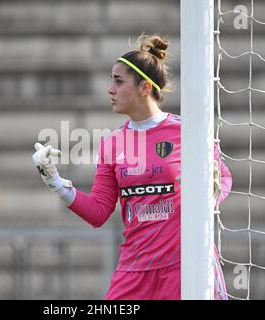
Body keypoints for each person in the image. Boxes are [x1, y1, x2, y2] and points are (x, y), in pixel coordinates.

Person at [31, 35, 232, 300]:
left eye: (118, 81)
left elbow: (223, 179)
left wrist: (210, 193)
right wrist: (55, 181)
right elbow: (99, 212)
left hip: (183, 266)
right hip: (133, 271)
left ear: (144, 87)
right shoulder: (111, 144)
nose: (110, 89)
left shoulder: (189, 132)